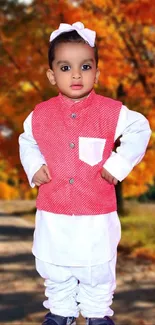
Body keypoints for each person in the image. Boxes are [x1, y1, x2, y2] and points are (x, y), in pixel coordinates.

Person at [19, 22, 151, 325]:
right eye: (66, 67)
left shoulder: (111, 111)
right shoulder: (40, 113)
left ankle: (96, 313)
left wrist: (117, 165)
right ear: (52, 75)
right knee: (55, 264)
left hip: (95, 209)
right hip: (54, 208)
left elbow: (140, 128)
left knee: (98, 268)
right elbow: (27, 139)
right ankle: (60, 311)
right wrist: (34, 165)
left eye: (85, 66)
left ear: (97, 73)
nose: (76, 74)